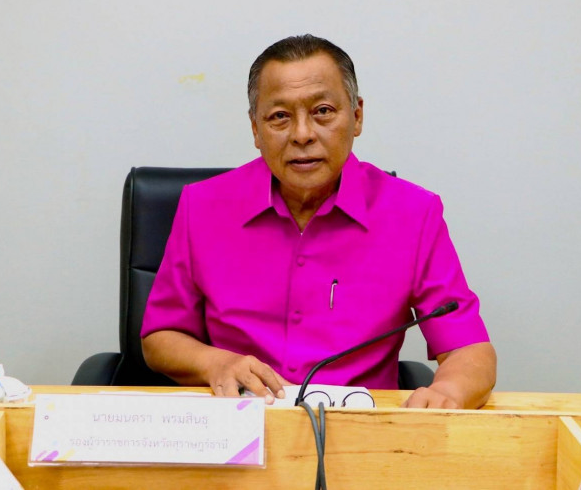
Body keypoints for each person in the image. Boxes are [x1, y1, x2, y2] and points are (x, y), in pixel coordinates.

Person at [140, 35, 496, 409]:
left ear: (356, 116)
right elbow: (160, 337)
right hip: (241, 420)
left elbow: (468, 348)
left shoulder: (413, 213)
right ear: (255, 129)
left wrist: (446, 395)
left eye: (323, 111)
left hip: (358, 429)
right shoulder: (202, 207)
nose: (302, 134)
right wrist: (216, 363)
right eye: (280, 116)